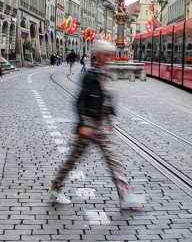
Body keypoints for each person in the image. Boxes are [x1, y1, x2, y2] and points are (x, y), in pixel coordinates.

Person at [48, 40, 144, 208]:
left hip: (102, 125)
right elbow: (79, 101)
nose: (109, 58)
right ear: (98, 55)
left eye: (110, 55)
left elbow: (106, 99)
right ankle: (55, 189)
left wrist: (109, 119)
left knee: (113, 160)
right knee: (72, 159)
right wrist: (82, 124)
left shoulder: (104, 73)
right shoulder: (90, 76)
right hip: (89, 124)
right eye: (106, 55)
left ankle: (125, 196)